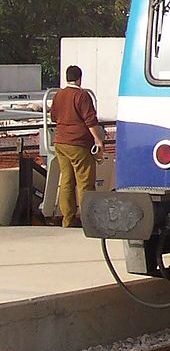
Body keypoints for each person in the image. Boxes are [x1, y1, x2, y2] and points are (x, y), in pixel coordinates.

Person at [50, 65, 106, 228]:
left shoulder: (58, 95)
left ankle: (67, 220)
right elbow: (90, 121)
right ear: (80, 78)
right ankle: (88, 221)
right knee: (85, 182)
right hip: (79, 144)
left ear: (67, 78)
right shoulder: (82, 95)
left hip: (60, 142)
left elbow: (53, 117)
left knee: (66, 181)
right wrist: (98, 141)